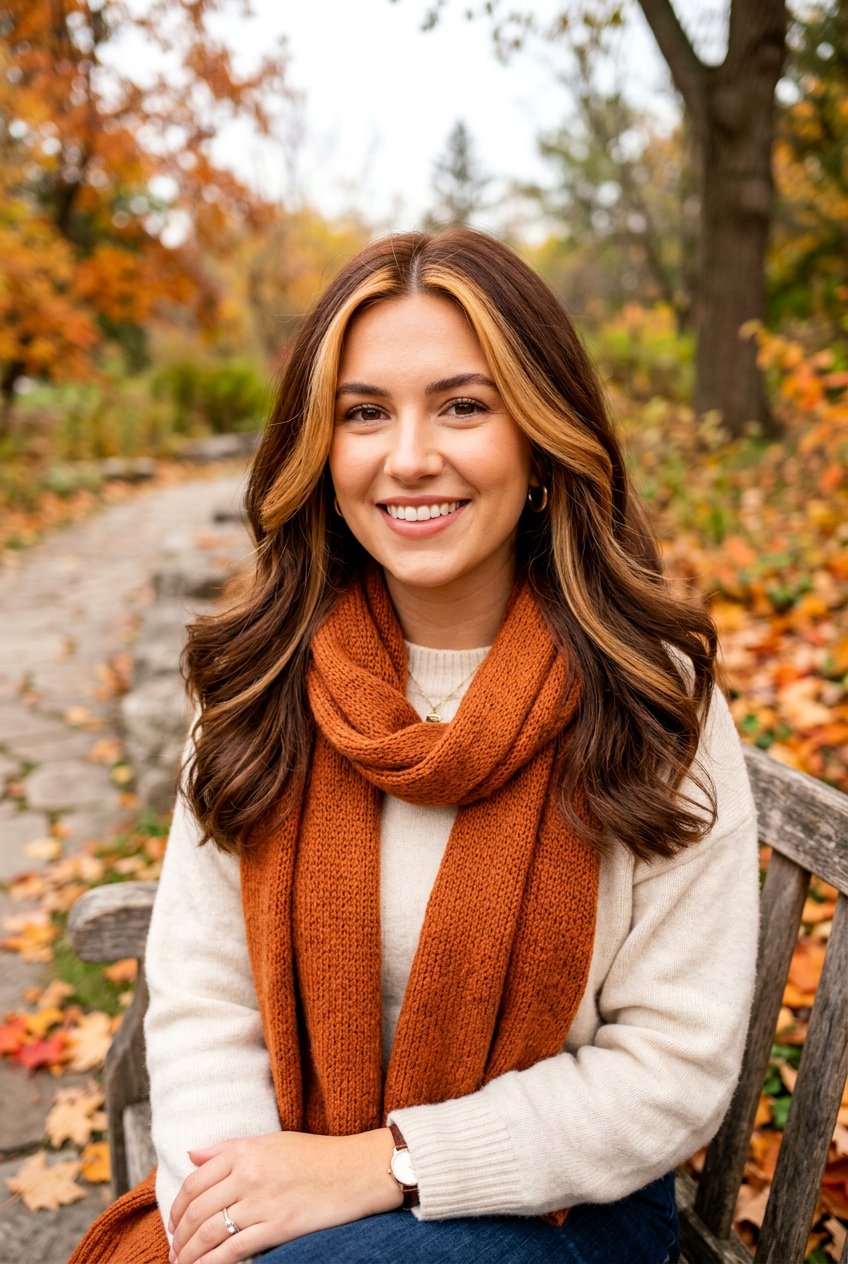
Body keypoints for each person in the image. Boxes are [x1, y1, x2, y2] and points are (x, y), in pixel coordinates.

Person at [69, 228, 759, 1264]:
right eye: (363, 413)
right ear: (321, 448)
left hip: (560, 1207)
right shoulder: (262, 684)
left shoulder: (647, 703)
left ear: (538, 434)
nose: (407, 457)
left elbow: (669, 1065)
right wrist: (226, 1205)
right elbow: (205, 992)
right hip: (289, 1184)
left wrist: (376, 1165)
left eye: (462, 405)